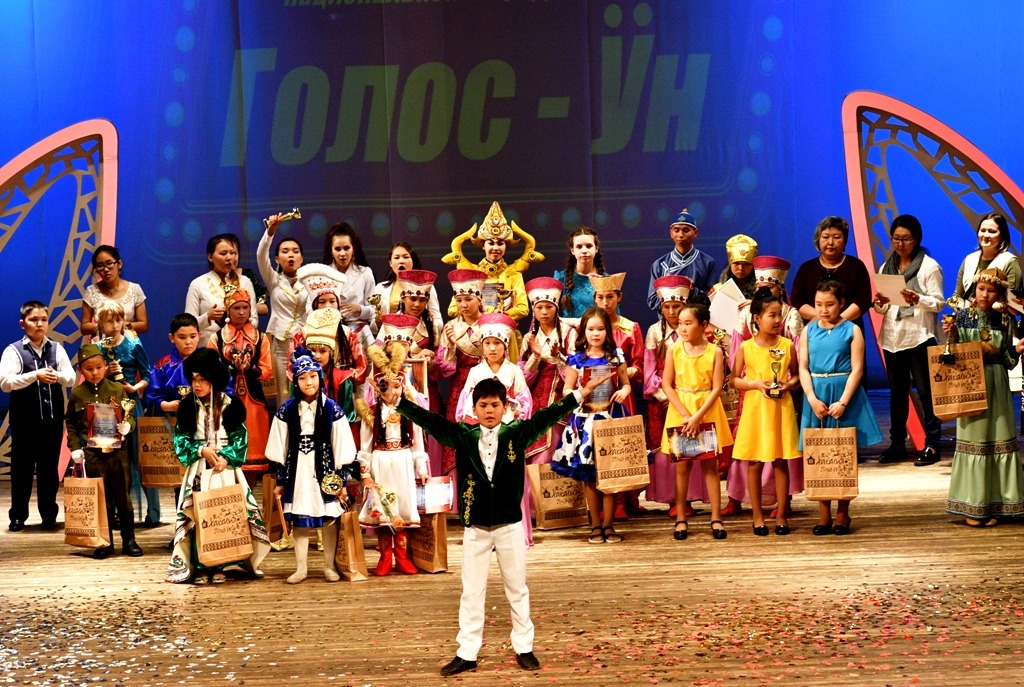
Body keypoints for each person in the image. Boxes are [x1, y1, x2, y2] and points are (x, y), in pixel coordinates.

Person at [393, 373, 612, 677]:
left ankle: (524, 647)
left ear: (504, 406)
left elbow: (547, 416)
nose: (489, 410)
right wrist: (399, 402)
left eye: (495, 405)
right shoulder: (463, 436)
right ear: (474, 408)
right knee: (471, 592)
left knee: (516, 588)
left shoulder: (516, 433)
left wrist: (579, 394)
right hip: (476, 526)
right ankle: (467, 652)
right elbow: (432, 422)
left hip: (509, 524)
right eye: (483, 405)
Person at [166, 348, 270, 584]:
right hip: (199, 469)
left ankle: (221, 563)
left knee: (225, 515)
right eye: (194, 379)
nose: (197, 384)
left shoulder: (230, 405)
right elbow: (180, 440)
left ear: (214, 379)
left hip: (225, 470)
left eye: (203, 379)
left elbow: (240, 437)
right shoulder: (188, 407)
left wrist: (227, 457)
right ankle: (201, 565)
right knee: (199, 515)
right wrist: (200, 450)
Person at [799, 281, 883, 535]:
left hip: (844, 392)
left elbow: (857, 368)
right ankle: (823, 514)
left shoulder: (851, 329)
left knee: (843, 453)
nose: (823, 310)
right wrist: (812, 398)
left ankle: (843, 512)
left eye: (830, 304)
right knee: (818, 453)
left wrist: (844, 401)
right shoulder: (808, 330)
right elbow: (803, 366)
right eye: (818, 305)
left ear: (841, 303)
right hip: (817, 395)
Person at [266, 348, 356, 583]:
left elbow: (342, 445)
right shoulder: (286, 410)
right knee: (300, 520)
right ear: (295, 381)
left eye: (313, 376)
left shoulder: (332, 409)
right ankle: (301, 568)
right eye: (303, 378)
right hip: (298, 472)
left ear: (320, 377)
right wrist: (280, 481)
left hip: (325, 472)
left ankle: (329, 566)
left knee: (328, 519)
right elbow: (279, 446)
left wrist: (341, 481)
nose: (309, 382)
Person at [723, 258, 804, 518]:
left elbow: (797, 369)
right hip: (755, 405)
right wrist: (755, 384)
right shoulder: (747, 337)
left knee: (781, 458)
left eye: (769, 287)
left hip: (781, 404)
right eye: (760, 287)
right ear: (757, 318)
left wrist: (788, 384)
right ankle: (748, 507)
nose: (777, 319)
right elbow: (735, 375)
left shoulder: (789, 327)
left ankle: (782, 508)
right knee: (753, 458)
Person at [944, 268, 1024, 526]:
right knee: (975, 441)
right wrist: (951, 334)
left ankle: (998, 504)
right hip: (971, 383)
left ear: (999, 294)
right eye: (981, 289)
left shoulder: (1004, 320)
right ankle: (974, 507)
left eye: (991, 291)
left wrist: (1018, 349)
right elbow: (952, 356)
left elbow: (1008, 361)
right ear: (974, 290)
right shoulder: (961, 317)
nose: (984, 294)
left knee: (998, 440)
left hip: (997, 383)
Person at [550, 307, 632, 544]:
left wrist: (624, 392)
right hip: (585, 421)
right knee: (589, 476)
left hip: (610, 418)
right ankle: (595, 524)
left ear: (608, 331)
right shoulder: (577, 359)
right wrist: (578, 393)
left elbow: (626, 383)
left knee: (610, 474)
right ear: (583, 331)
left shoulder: (616, 357)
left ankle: (609, 524)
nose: (596, 334)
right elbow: (567, 389)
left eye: (601, 329)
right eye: (591, 329)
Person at [872, 214, 945, 466]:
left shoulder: (929, 267)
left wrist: (918, 299)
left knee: (926, 393)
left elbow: (938, 303)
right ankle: (897, 444)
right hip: (893, 337)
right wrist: (880, 303)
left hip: (919, 336)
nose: (900, 244)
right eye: (896, 238)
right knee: (897, 394)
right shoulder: (887, 266)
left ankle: (932, 444)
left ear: (917, 239)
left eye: (906, 239)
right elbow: (883, 308)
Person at [354, 338, 429, 576]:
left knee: (403, 509)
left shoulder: (410, 412)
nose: (393, 392)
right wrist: (365, 473)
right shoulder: (371, 414)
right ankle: (385, 557)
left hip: (403, 461)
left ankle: (402, 557)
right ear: (377, 387)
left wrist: (421, 468)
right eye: (387, 387)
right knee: (384, 508)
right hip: (381, 463)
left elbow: (418, 444)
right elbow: (365, 447)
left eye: (397, 387)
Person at [0, 301, 76, 531]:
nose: (40, 324)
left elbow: (71, 378)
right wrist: (35, 375)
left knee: (49, 470)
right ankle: (17, 516)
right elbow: (5, 383)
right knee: (21, 470)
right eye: (34, 320)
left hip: (52, 421)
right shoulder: (13, 350)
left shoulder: (57, 348)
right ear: (22, 323)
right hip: (24, 422)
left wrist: (57, 376)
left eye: (44, 319)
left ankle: (49, 515)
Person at [661, 299, 732, 541]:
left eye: (688, 323)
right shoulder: (674, 350)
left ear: (703, 325)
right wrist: (685, 415)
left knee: (711, 465)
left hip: (707, 411)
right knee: (682, 466)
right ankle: (681, 516)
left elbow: (717, 387)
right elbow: (667, 385)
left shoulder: (715, 352)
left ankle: (716, 517)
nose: (682, 328)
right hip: (681, 411)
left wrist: (698, 417)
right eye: (680, 323)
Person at [65, 343, 143, 558]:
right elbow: (71, 422)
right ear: (81, 370)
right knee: (101, 499)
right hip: (93, 455)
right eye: (89, 369)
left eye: (99, 367)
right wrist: (75, 447)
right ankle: (105, 542)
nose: (95, 372)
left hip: (118, 454)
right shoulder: (78, 394)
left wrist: (128, 427)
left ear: (105, 366)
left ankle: (129, 540)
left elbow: (129, 415)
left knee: (123, 497)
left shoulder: (117, 389)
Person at [644, 276, 709, 520]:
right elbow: (649, 371)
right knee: (666, 451)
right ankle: (671, 498)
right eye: (667, 307)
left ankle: (689, 498)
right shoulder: (654, 332)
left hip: (692, 400)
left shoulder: (696, 332)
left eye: (677, 307)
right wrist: (665, 396)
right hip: (662, 401)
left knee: (692, 449)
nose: (671, 312)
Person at [442, 202, 539, 361]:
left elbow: (523, 309)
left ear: (506, 245)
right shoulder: (470, 273)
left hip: (505, 337)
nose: (495, 248)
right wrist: (478, 315)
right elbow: (452, 309)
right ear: (483, 245)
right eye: (491, 243)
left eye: (500, 243)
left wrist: (495, 318)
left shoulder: (513, 274)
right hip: (473, 338)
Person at [519, 277, 573, 544]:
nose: (543, 311)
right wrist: (536, 355)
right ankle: (534, 510)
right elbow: (522, 379)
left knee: (556, 450)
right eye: (538, 307)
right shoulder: (529, 337)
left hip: (562, 399)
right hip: (536, 400)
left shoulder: (569, 332)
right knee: (535, 452)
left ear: (556, 307)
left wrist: (559, 357)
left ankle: (562, 508)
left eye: (548, 307)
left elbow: (577, 368)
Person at [93, 301, 156, 527]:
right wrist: (105, 373)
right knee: (111, 460)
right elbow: (91, 378)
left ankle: (153, 512)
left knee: (139, 458)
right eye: (109, 321)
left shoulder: (133, 344)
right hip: (107, 407)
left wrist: (134, 388)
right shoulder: (97, 348)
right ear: (101, 322)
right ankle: (115, 512)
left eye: (118, 320)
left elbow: (148, 375)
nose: (114, 325)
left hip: (131, 404)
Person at [208, 288, 273, 487]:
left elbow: (267, 370)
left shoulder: (261, 338)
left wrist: (250, 369)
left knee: (252, 447)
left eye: (245, 307)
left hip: (253, 401)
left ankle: (249, 493)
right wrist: (231, 369)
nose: (242, 312)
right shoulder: (216, 338)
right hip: (226, 399)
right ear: (228, 310)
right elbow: (211, 370)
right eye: (236, 308)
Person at [437, 269, 487, 475]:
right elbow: (445, 369)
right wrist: (450, 346)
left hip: (486, 385)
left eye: (468, 299)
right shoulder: (451, 327)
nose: (463, 305)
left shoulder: (491, 324)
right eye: (459, 300)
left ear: (479, 298)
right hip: (460, 388)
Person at [258, 213, 308, 403]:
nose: (290, 255)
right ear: (277, 259)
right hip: (281, 343)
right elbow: (260, 255)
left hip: (305, 342)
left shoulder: (310, 281)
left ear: (301, 258)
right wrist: (270, 232)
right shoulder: (273, 280)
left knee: (307, 390)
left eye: (295, 251)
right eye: (285, 251)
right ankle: (285, 423)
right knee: (284, 393)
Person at [790, 216, 872, 327]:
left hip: (848, 328)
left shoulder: (856, 266)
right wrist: (822, 317)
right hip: (815, 329)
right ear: (818, 240)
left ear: (845, 242)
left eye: (836, 237)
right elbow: (797, 300)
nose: (830, 242)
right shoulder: (807, 268)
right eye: (825, 237)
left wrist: (839, 320)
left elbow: (863, 300)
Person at [456, 313, 532, 424]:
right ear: (482, 346)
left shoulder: (515, 372)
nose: (492, 348)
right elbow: (465, 406)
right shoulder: (475, 372)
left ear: (505, 345)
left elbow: (525, 405)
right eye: (487, 343)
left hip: (508, 428)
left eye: (497, 343)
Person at [185, 233, 258, 346]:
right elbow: (187, 325)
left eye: (233, 253)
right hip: (209, 347)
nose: (229, 258)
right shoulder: (198, 284)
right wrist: (207, 317)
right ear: (210, 257)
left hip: (241, 347)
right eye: (223, 253)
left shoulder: (245, 282)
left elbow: (254, 319)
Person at [647, 209, 716, 310]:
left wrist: (693, 292)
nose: (680, 235)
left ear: (695, 233)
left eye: (686, 230)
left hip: (696, 318)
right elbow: (652, 300)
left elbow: (713, 297)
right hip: (668, 319)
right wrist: (672, 300)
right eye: (676, 230)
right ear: (671, 233)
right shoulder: (659, 264)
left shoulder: (707, 262)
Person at [322, 222, 375, 351]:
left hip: (361, 331)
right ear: (331, 251)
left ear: (353, 249)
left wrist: (359, 309)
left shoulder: (365, 272)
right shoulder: (323, 273)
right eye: (337, 249)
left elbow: (374, 309)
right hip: (332, 332)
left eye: (346, 248)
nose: (342, 253)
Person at [370, 242, 442, 331]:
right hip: (390, 337)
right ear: (390, 263)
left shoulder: (426, 286)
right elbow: (373, 327)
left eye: (406, 257)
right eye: (396, 257)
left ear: (413, 261)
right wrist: (378, 323)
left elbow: (439, 322)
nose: (401, 261)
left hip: (419, 336)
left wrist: (427, 324)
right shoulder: (380, 288)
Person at [951, 212, 1021, 303]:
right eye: (983, 230)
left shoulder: (1009, 261)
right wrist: (959, 305)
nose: (986, 235)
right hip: (967, 312)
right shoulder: (969, 259)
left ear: (1002, 235)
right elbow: (958, 295)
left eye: (992, 231)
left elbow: (1012, 302)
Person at [80, 245, 149, 337]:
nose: (105, 269)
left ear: (119, 264)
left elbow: (143, 325)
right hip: (100, 343)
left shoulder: (134, 289)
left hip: (127, 343)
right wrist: (103, 327)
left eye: (109, 263)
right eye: (100, 266)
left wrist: (120, 326)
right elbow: (84, 327)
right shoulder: (91, 291)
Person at [145, 313, 201, 416]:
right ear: (172, 338)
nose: (188, 342)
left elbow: (226, 393)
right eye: (182, 337)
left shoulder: (213, 362)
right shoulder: (162, 366)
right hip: (170, 420)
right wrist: (167, 406)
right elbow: (152, 396)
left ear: (199, 336)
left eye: (193, 336)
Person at [554, 227, 606, 318]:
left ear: (596, 248)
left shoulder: (606, 280)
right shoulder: (560, 279)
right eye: (579, 247)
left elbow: (614, 318)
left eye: (589, 246)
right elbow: (552, 316)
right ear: (572, 250)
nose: (584, 251)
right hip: (566, 327)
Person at [710, 234, 758, 301]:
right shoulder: (717, 289)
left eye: (746, 264)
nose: (741, 268)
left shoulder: (760, 288)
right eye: (736, 263)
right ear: (730, 264)